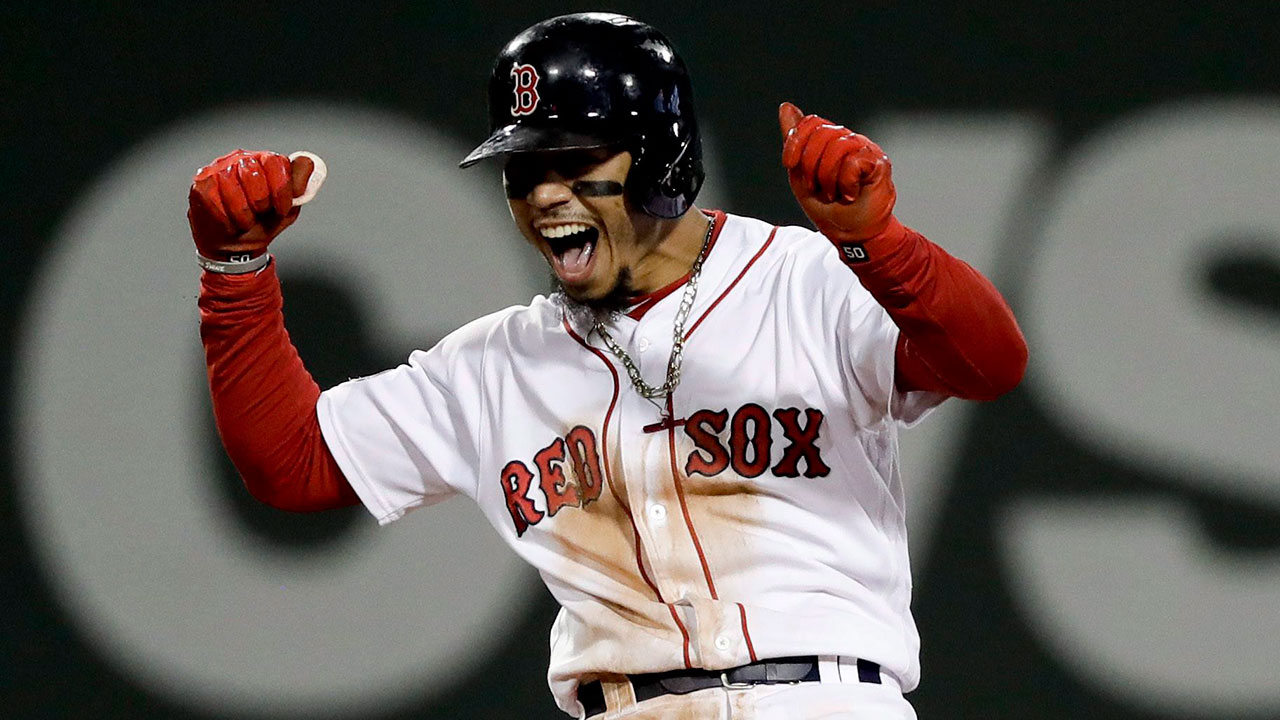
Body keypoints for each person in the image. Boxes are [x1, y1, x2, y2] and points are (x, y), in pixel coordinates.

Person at [189, 12, 1026, 720]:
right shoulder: (495, 363)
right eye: (526, 170)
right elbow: (291, 464)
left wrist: (876, 246)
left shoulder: (804, 280)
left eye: (575, 164)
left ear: (659, 156)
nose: (546, 195)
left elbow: (988, 362)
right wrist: (234, 276)